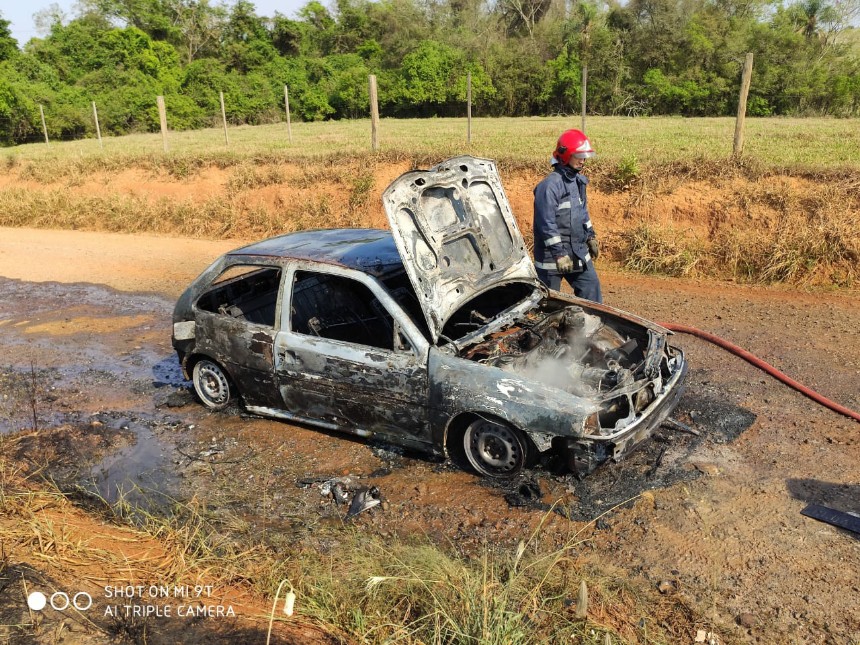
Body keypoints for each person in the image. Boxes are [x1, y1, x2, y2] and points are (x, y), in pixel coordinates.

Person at [532, 128, 603, 303]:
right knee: (546, 306)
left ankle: (590, 328)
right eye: (578, 156)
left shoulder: (578, 182)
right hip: (551, 259)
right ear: (565, 155)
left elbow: (583, 213)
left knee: (592, 296)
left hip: (578, 253)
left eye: (584, 156)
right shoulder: (549, 186)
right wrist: (559, 254)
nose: (583, 161)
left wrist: (590, 236)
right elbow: (546, 225)